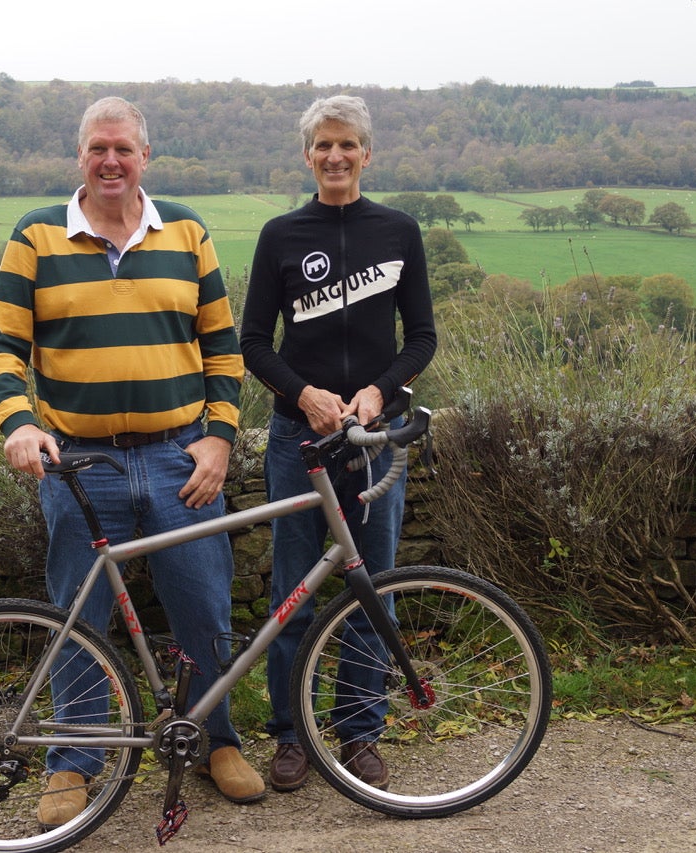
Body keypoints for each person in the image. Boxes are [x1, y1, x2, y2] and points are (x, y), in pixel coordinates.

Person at [0, 96, 263, 828]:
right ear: (80, 156)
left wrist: (220, 437)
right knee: (79, 617)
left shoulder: (188, 231)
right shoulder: (36, 236)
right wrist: (18, 423)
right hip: (81, 464)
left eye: (124, 150)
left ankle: (212, 740)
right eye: (98, 148)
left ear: (145, 157)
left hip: (179, 458)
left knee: (203, 609)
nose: (111, 161)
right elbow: (0, 349)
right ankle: (73, 760)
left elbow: (224, 351)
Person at [239, 94, 437, 793]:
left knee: (369, 588)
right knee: (294, 588)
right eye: (323, 145)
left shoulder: (399, 231)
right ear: (307, 155)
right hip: (302, 438)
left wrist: (381, 389)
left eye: (347, 144)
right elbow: (254, 344)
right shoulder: (281, 234)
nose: (335, 156)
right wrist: (304, 394)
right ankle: (292, 734)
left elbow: (421, 337)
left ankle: (359, 732)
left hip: (373, 436)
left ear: (367, 153)